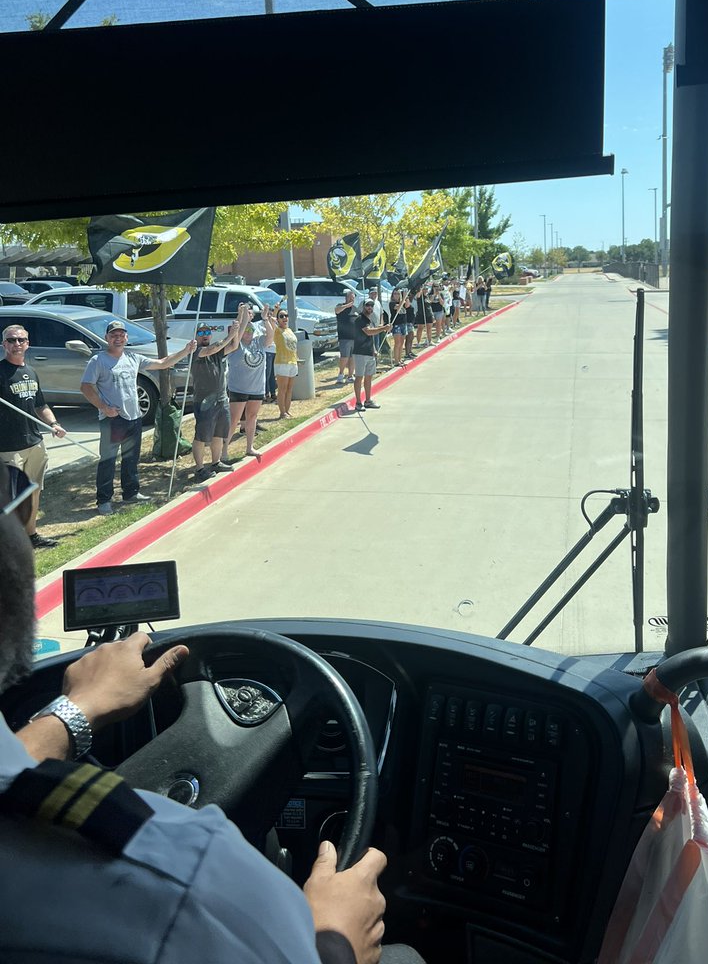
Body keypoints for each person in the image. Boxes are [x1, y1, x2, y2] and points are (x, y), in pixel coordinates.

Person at [0, 463, 418, 964]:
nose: (28, 511)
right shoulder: (190, 886)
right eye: (12, 492)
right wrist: (334, 943)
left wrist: (76, 712)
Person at [80, 320, 196, 515]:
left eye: (121, 335)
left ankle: (131, 493)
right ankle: (104, 500)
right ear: (107, 338)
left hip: (134, 418)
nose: (118, 338)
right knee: (108, 461)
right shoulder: (98, 361)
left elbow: (163, 363)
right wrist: (104, 407)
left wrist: (185, 351)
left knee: (131, 459)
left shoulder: (133, 358)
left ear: (126, 337)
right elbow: (85, 387)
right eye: (113, 335)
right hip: (113, 420)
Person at [0, 323, 66, 549]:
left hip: (35, 443)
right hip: (8, 447)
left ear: (27, 344)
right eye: (11, 340)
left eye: (20, 340)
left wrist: (54, 424)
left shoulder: (31, 372)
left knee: (33, 493)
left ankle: (31, 536)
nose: (16, 344)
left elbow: (41, 405)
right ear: (3, 344)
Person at [190, 319, 241, 481]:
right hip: (204, 402)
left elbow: (234, 346)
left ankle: (215, 462)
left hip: (221, 398)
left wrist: (241, 319)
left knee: (219, 433)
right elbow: (213, 348)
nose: (205, 335)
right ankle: (199, 469)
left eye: (207, 332)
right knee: (201, 436)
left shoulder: (217, 351)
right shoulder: (196, 351)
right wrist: (230, 335)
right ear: (196, 337)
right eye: (201, 333)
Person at [225, 305, 275, 459]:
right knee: (234, 420)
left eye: (251, 330)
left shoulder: (259, 341)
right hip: (238, 388)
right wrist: (242, 316)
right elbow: (237, 333)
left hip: (256, 388)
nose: (248, 333)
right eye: (246, 330)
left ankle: (249, 447)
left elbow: (271, 336)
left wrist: (265, 318)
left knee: (252, 417)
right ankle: (223, 451)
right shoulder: (236, 344)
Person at [352, 299, 390, 412]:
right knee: (359, 377)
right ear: (363, 307)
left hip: (369, 352)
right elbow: (368, 332)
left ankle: (368, 400)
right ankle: (358, 402)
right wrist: (383, 328)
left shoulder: (370, 319)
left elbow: (371, 337)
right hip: (360, 353)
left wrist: (374, 350)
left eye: (371, 305)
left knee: (369, 377)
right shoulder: (360, 319)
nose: (370, 307)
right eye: (367, 305)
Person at [274, 308, 299, 417]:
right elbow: (271, 320)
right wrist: (275, 311)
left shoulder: (289, 330)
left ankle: (287, 410)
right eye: (281, 316)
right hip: (282, 362)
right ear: (278, 319)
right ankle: (282, 412)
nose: (284, 318)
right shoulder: (277, 330)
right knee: (282, 389)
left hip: (292, 362)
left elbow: (293, 346)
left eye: (286, 316)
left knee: (290, 388)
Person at [334, 290, 358, 385]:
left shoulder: (355, 309)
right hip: (345, 337)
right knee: (344, 357)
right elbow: (336, 310)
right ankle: (340, 375)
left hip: (355, 337)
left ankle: (350, 375)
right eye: (350, 297)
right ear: (346, 298)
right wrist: (346, 306)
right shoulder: (340, 306)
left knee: (353, 357)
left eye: (353, 298)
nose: (352, 299)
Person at [389, 288, 406, 367]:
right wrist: (403, 299)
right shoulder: (392, 303)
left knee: (402, 342)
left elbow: (407, 305)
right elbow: (398, 308)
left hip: (403, 323)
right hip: (396, 324)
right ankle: (396, 361)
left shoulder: (403, 301)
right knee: (397, 343)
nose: (397, 295)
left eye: (398, 294)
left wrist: (405, 297)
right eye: (395, 293)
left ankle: (399, 358)